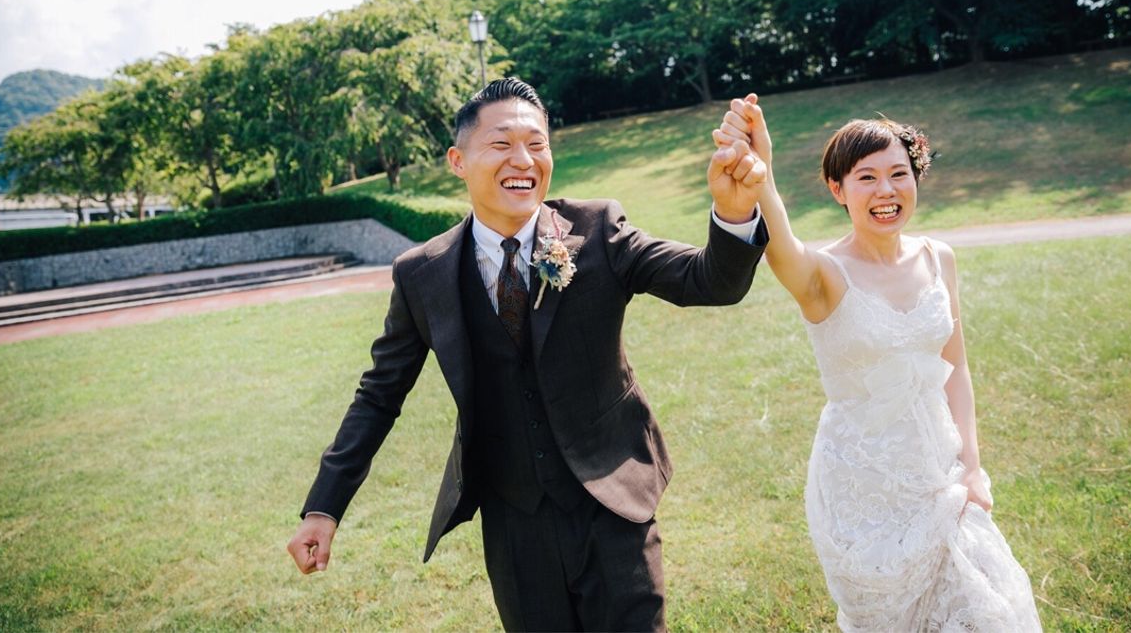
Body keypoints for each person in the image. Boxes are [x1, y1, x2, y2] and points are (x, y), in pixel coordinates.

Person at [287, 77, 768, 632]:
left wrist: (733, 213)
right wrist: (324, 506)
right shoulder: (422, 273)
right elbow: (379, 396)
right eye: (501, 144)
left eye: (537, 144)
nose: (524, 160)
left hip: (614, 505)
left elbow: (708, 280)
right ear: (458, 161)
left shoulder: (599, 229)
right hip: (514, 524)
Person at [713, 95, 1040, 632]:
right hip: (862, 486)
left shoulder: (939, 258)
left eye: (898, 174)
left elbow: (956, 367)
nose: (886, 191)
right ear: (838, 190)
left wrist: (972, 467)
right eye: (866, 178)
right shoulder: (823, 275)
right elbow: (781, 243)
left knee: (987, 607)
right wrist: (762, 169)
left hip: (940, 471)